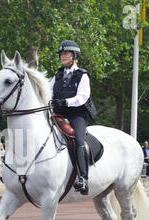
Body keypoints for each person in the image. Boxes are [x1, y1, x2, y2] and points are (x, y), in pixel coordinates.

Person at [50, 40, 96, 195]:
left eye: (65, 54)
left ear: (74, 56)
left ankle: (83, 178)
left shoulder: (82, 75)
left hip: (77, 113)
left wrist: (65, 102)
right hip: (58, 112)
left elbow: (83, 97)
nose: (62, 56)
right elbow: (47, 91)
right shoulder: (57, 75)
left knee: (78, 140)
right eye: (61, 54)